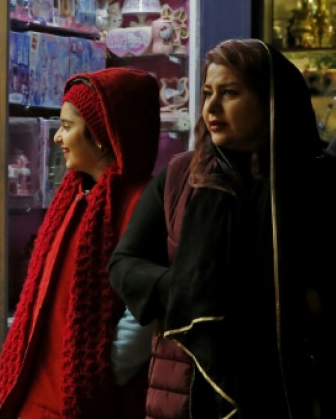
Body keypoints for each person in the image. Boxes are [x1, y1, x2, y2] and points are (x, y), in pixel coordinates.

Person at [109, 39, 333, 418]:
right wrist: (188, 290)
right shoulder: (181, 177)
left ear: (270, 100)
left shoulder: (316, 180)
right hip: (187, 388)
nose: (211, 108)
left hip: (288, 387)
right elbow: (124, 264)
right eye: (207, 93)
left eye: (229, 93)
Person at [0, 68, 160, 419]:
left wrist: (102, 371)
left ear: (101, 134)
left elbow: (145, 308)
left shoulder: (142, 203)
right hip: (40, 394)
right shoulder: (73, 198)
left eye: (67, 126)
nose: (57, 137)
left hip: (87, 399)